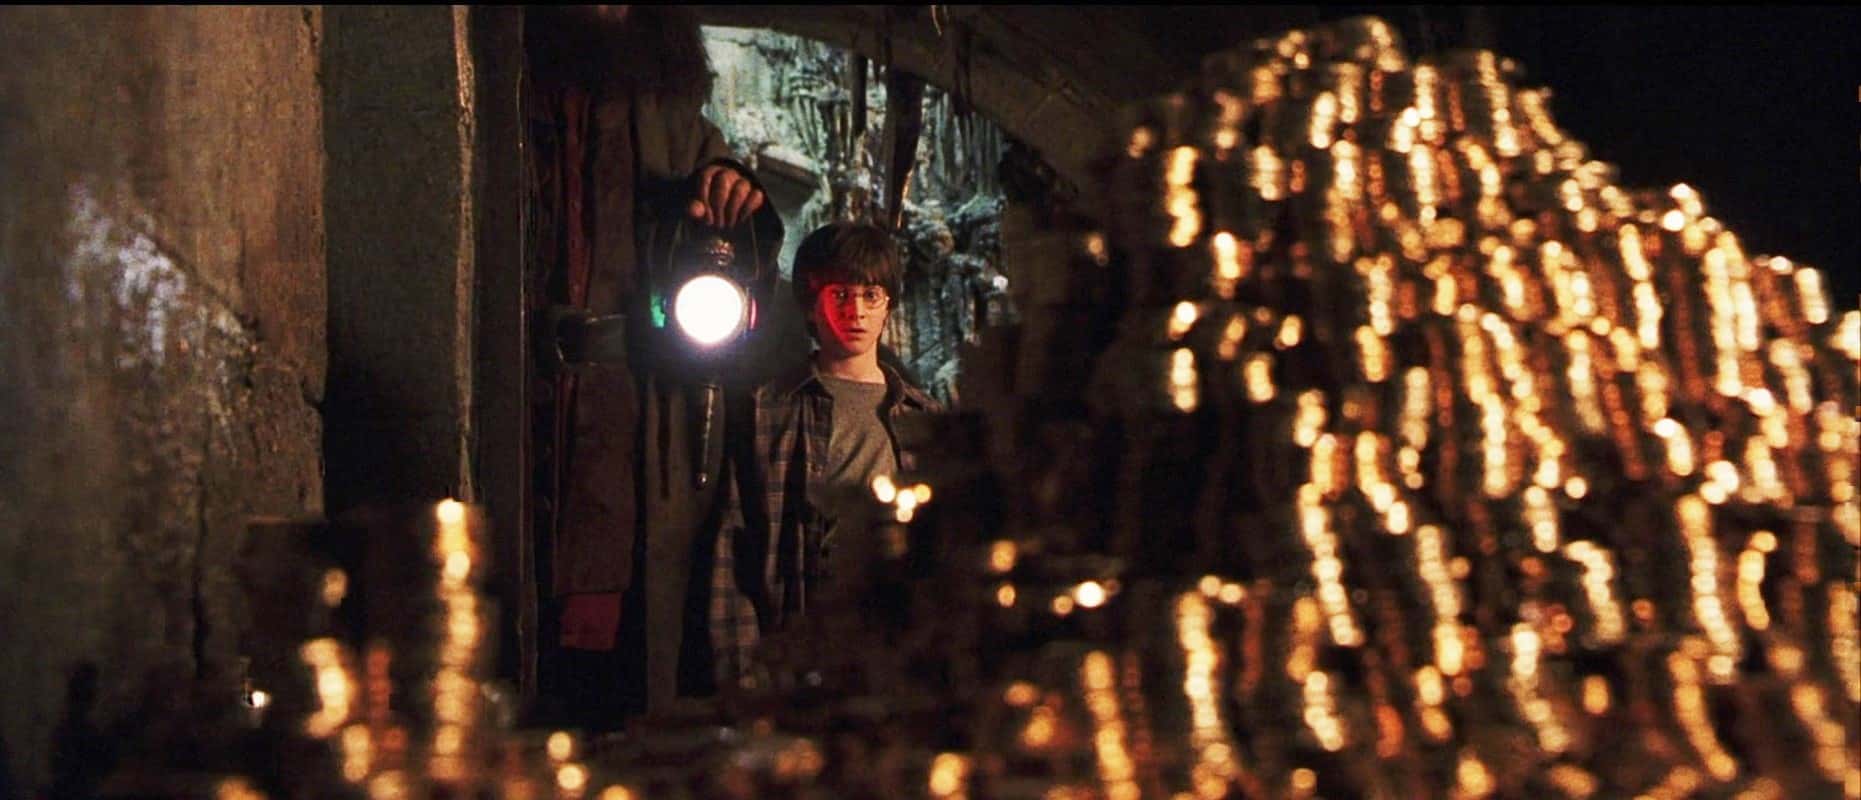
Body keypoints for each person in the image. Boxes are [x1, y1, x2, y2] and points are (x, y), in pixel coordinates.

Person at [522, 5, 788, 726]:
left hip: (633, 410)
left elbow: (732, 210)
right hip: (517, 394)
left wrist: (729, 187)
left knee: (628, 638)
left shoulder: (668, 117)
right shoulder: (511, 85)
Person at [707, 222, 943, 689]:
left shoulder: (924, 418)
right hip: (801, 638)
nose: (856, 311)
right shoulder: (768, 408)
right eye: (840, 295)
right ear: (811, 304)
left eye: (870, 295)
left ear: (888, 304)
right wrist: (745, 677)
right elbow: (734, 547)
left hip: (897, 646)